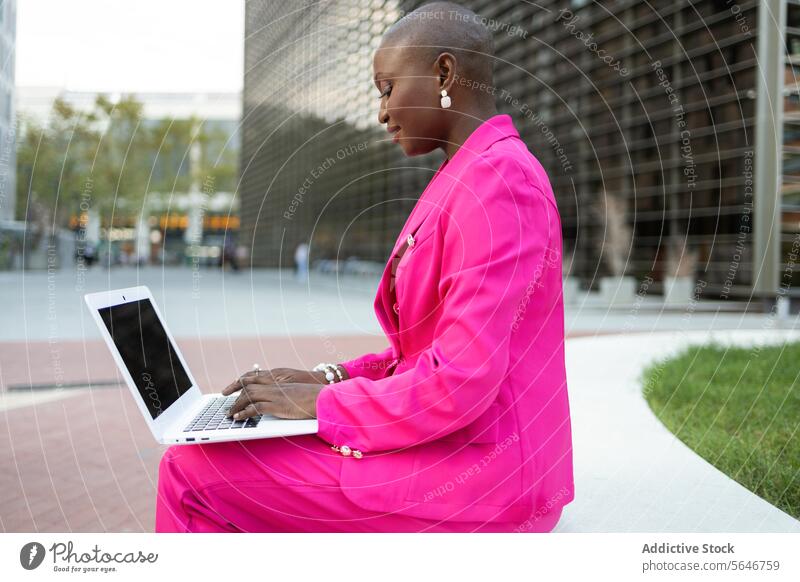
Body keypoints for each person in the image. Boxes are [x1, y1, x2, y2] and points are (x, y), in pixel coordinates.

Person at [156, 1, 574, 533]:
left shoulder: (500, 183)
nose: (380, 111)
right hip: (457, 448)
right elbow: (420, 355)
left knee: (193, 473)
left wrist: (323, 403)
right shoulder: (464, 174)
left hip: (484, 477)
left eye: (387, 88)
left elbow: (460, 380)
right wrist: (325, 378)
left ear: (444, 73)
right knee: (229, 452)